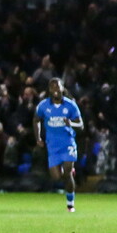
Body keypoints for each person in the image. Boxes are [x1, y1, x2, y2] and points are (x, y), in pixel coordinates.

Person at [34, 77, 84, 212]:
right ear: (49, 90)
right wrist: (38, 136)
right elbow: (36, 120)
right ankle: (69, 175)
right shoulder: (44, 105)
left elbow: (81, 125)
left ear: (62, 88)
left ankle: (70, 204)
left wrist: (71, 123)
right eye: (52, 87)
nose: (55, 89)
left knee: (67, 172)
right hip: (52, 146)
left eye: (57, 86)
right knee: (56, 176)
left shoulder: (70, 105)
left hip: (67, 143)